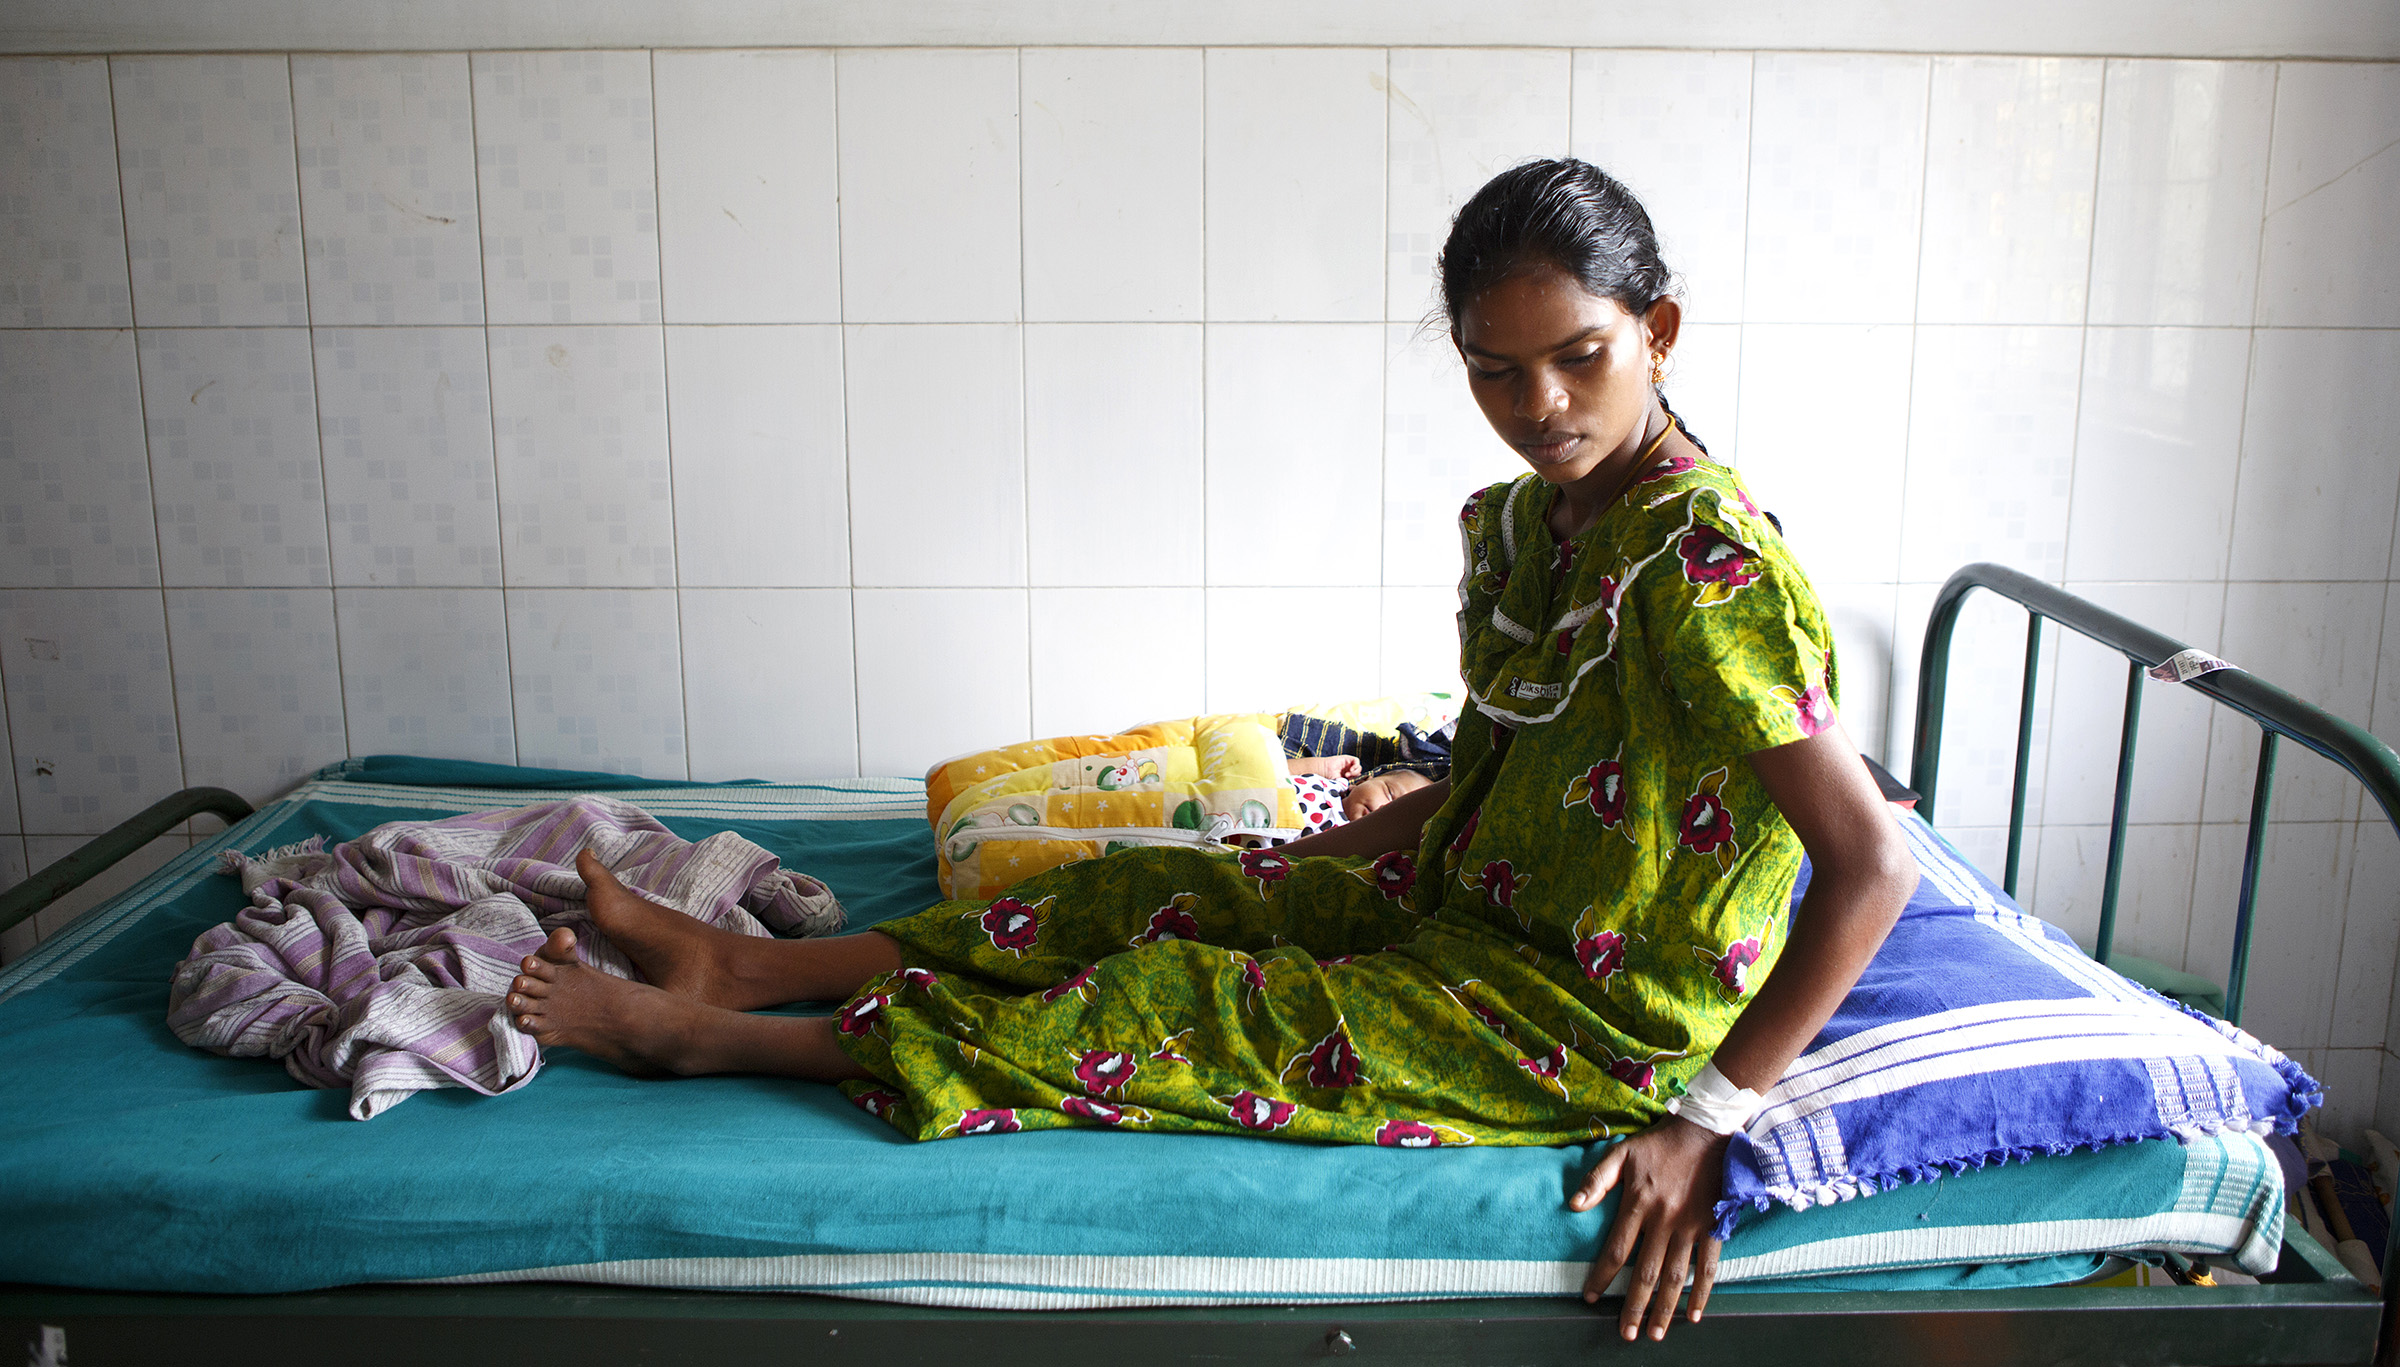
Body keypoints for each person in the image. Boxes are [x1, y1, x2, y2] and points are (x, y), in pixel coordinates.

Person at [503, 157, 1918, 1343]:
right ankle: (748, 960)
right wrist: (1306, 862)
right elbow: (1494, 767)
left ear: (1658, 329)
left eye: (1579, 358)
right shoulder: (1522, 529)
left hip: (1583, 1016)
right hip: (1465, 906)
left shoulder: (1704, 570)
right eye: (1497, 372)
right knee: (1152, 889)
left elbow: (1871, 868)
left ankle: (725, 1043)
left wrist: (1712, 1122)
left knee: (1166, 1000)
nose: (1540, 404)